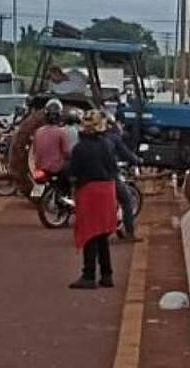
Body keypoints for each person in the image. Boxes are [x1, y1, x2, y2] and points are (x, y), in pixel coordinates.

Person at [67, 110, 119, 290]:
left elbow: (73, 173)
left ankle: (89, 275)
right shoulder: (106, 145)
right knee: (103, 234)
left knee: (90, 234)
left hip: (89, 191)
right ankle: (107, 275)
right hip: (107, 190)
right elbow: (113, 168)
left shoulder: (79, 148)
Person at [105, 114, 142, 240]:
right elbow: (126, 154)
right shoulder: (113, 138)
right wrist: (137, 160)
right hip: (108, 176)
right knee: (127, 201)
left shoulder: (85, 140)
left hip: (87, 178)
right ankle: (130, 234)